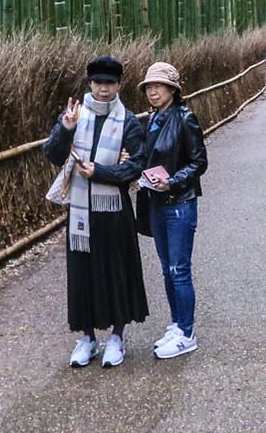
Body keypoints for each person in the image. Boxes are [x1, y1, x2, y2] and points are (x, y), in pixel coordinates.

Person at [43, 56, 148, 369]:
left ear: (119, 85)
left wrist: (100, 172)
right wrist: (65, 129)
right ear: (90, 84)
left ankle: (117, 336)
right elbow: (52, 154)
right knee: (82, 273)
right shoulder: (75, 114)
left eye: (110, 83)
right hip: (80, 209)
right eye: (98, 83)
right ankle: (87, 338)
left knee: (117, 271)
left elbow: (135, 166)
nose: (103, 89)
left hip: (114, 211)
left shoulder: (128, 120)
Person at [138, 62, 208, 359]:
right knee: (167, 269)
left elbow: (199, 162)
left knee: (179, 270)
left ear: (172, 89)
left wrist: (173, 182)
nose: (153, 91)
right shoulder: (153, 119)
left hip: (179, 204)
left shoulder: (185, 118)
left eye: (159, 86)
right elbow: (149, 156)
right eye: (149, 87)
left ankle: (187, 332)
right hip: (156, 202)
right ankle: (177, 324)